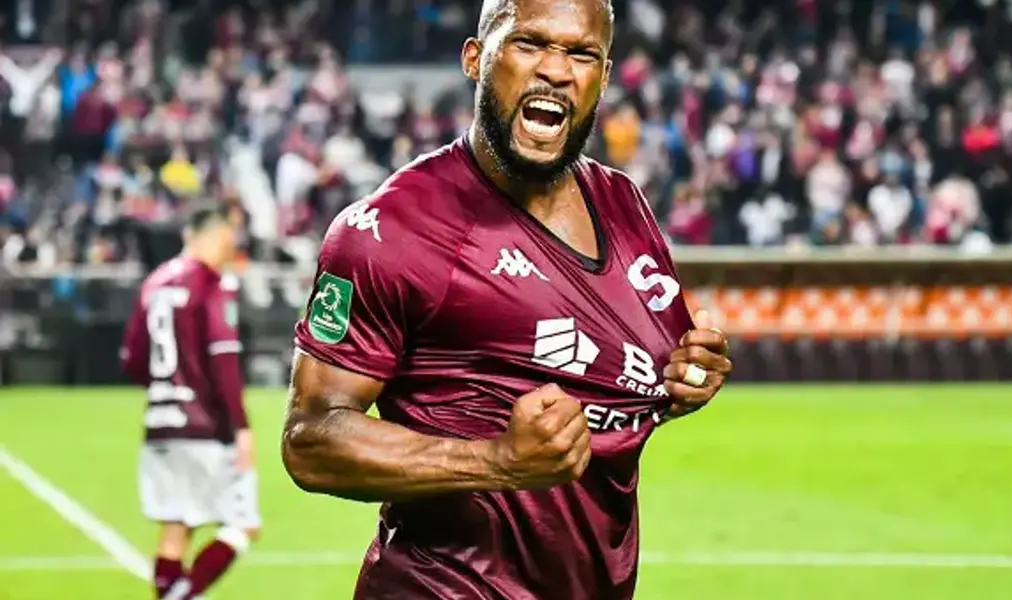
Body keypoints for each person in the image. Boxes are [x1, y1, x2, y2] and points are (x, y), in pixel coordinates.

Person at [280, 0, 734, 598]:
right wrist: (496, 462)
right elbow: (311, 440)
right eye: (529, 44)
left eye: (581, 53)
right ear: (475, 59)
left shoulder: (625, 204)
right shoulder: (392, 230)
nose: (556, 70)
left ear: (603, 75)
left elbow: (634, 379)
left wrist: (684, 381)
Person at [120, 206, 260, 600]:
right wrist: (241, 427)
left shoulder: (154, 282)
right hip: (203, 426)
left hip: (160, 422)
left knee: (175, 530)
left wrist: (165, 387)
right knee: (243, 525)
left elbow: (132, 359)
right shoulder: (212, 282)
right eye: (227, 241)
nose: (230, 251)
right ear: (210, 237)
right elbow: (223, 357)